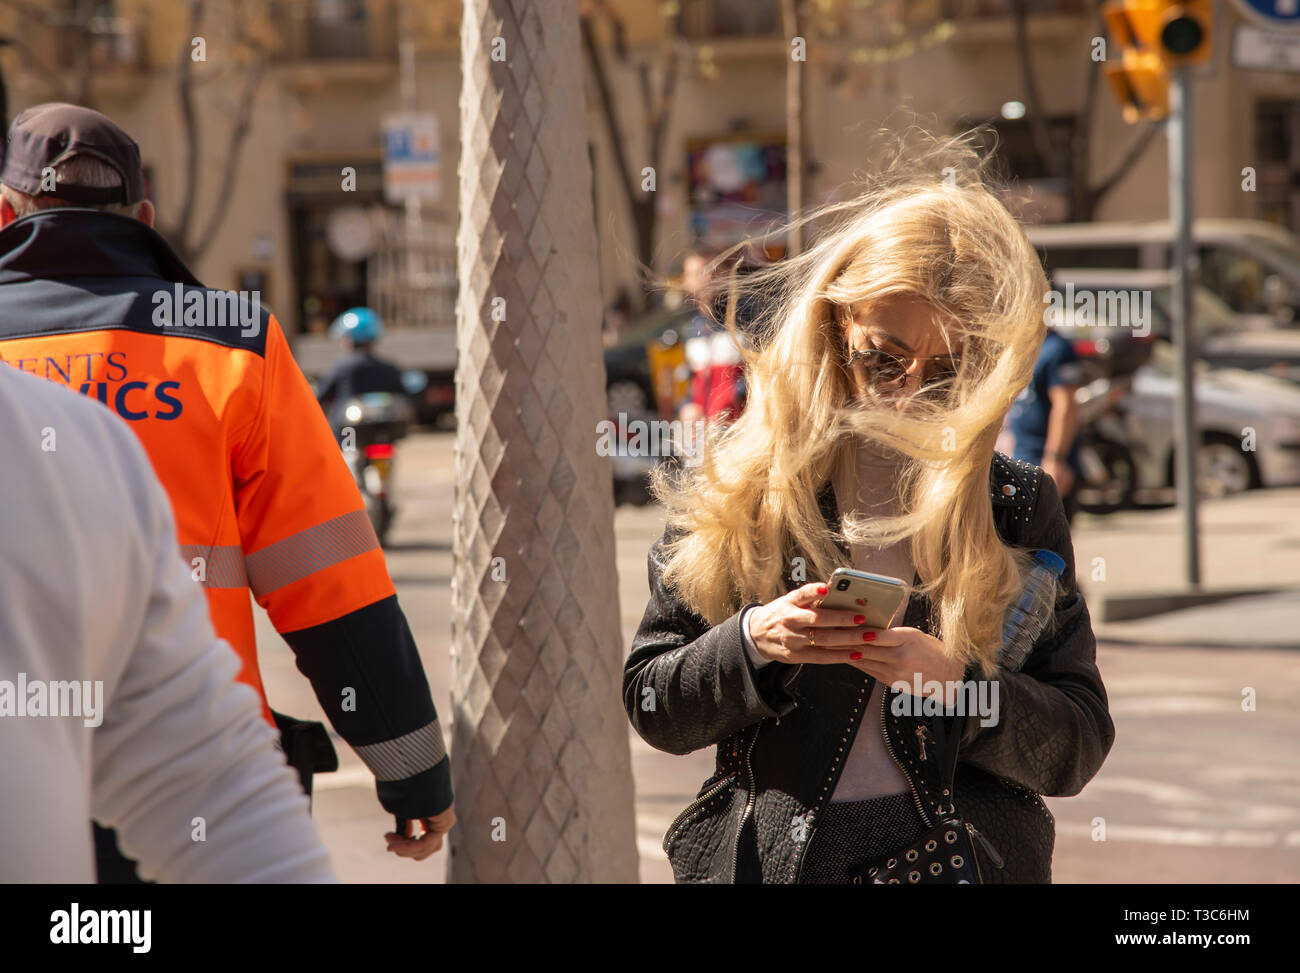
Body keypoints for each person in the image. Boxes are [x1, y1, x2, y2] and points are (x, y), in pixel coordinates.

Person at [624, 132, 1114, 884]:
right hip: (773, 861)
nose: (906, 392)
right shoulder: (742, 484)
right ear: (834, 326)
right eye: (882, 356)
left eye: (948, 372)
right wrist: (755, 640)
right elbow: (654, 700)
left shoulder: (1013, 503)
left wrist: (958, 685)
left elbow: (1076, 743)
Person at [0, 103, 453, 879]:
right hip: (192, 784)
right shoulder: (228, 338)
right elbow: (328, 582)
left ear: (5, 212)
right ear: (143, 216)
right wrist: (410, 768)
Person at [0, 364, 336, 883]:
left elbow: (195, 769)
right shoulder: (77, 442)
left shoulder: (69, 441)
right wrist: (411, 768)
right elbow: (331, 583)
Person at [1007, 327, 1085, 524]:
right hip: (1022, 460)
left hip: (1045, 465)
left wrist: (1055, 459)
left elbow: (1065, 406)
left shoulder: (1057, 349)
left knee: (1047, 547)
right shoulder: (1021, 347)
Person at [677, 247, 750, 426]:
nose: (706, 278)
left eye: (712, 271)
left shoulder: (748, 319)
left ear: (726, 274)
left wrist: (734, 396)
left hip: (743, 429)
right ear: (686, 281)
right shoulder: (692, 328)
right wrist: (686, 406)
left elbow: (764, 373)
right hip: (707, 432)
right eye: (697, 274)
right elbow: (693, 381)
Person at [315, 307, 408, 428]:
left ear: (350, 338)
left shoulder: (342, 366)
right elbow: (404, 396)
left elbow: (322, 394)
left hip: (348, 433)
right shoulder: (389, 368)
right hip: (383, 430)